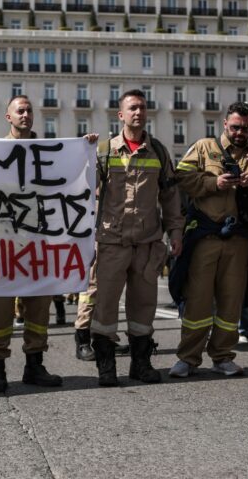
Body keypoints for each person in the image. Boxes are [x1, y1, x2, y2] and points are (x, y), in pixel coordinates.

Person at [0, 95, 93, 393]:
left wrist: (85, 149)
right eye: (20, 111)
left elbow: (72, 184)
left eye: (30, 110)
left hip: (40, 246)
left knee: (39, 309)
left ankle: (35, 366)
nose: (26, 114)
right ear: (9, 117)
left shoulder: (51, 153)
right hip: (4, 247)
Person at [170, 102, 248, 378]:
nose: (240, 132)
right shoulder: (205, 147)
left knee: (231, 301)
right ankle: (188, 358)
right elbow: (180, 176)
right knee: (198, 301)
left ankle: (223, 356)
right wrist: (212, 183)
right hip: (207, 235)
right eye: (235, 126)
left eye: (246, 128)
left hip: (240, 239)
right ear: (225, 124)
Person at [90, 89, 184, 386]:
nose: (138, 112)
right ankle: (106, 367)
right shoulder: (104, 151)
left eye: (142, 108)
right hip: (111, 242)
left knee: (143, 307)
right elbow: (81, 191)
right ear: (121, 115)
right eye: (132, 108)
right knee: (105, 307)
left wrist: (176, 232)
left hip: (147, 244)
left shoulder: (158, 151)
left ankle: (140, 365)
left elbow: (170, 196)